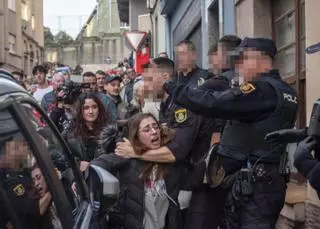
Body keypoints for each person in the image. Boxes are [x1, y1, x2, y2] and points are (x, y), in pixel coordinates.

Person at [163, 37, 298, 228]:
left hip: (254, 187)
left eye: (243, 59)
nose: (239, 66)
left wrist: (173, 88)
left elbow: (216, 102)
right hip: (261, 183)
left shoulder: (262, 90)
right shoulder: (284, 91)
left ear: (262, 59)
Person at [91, 113, 183, 229]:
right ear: (136, 136)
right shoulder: (126, 158)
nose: (154, 132)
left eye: (155, 126)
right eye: (146, 129)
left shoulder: (169, 159)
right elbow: (97, 164)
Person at [66, 93, 111, 171]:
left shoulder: (110, 131)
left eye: (94, 107)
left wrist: (95, 165)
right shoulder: (70, 132)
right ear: (80, 110)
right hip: (80, 177)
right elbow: (63, 156)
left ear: (99, 108)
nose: (91, 111)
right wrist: (78, 163)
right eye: (86, 108)